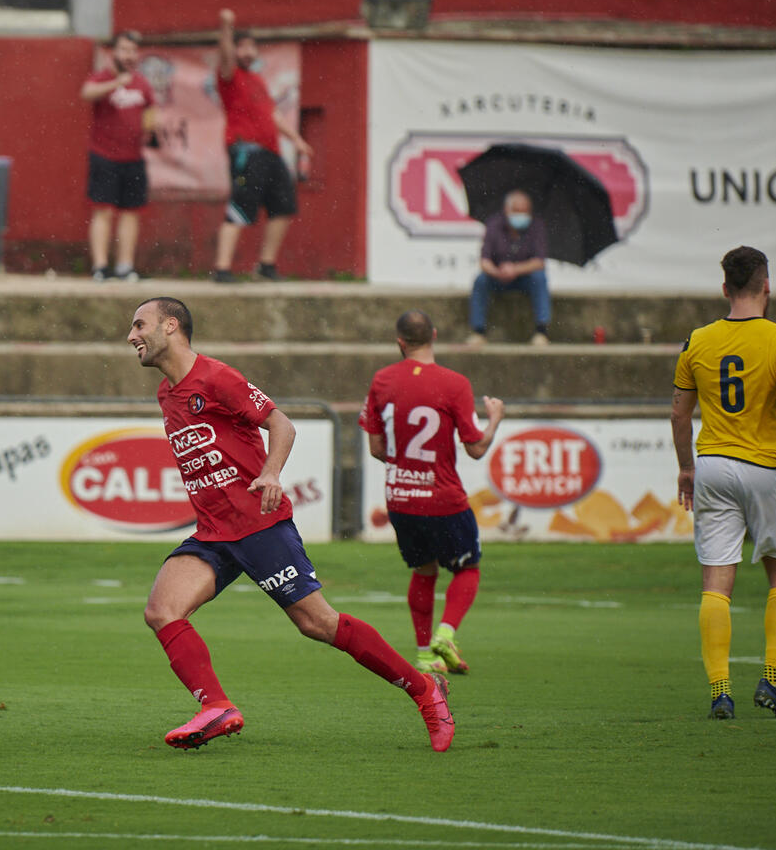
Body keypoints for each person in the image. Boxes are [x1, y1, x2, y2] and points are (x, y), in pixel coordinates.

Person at [127, 296, 454, 752]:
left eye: (139, 325)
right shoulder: (167, 394)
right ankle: (216, 707)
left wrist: (271, 473)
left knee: (317, 623)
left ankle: (424, 689)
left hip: (258, 525)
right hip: (214, 533)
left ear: (170, 326)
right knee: (161, 611)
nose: (132, 336)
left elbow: (282, 424)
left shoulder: (217, 377)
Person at [671, 245, 776, 720]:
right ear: (766, 285)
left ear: (724, 288)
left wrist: (686, 468)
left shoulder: (697, 341)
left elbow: (679, 413)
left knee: (716, 583)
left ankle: (720, 692)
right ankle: (771, 681)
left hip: (713, 466)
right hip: (767, 468)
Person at [360, 310, 504, 676]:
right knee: (467, 568)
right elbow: (475, 448)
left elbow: (376, 448)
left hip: (400, 499)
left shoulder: (382, 379)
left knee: (424, 570)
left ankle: (425, 655)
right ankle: (446, 634)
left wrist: (406, 468)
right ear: (434, 336)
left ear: (400, 342)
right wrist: (495, 420)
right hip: (443, 499)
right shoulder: (454, 383)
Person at [210, 9, 313, 283]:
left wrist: (297, 140)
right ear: (235, 49)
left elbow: (273, 115)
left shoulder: (257, 80)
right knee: (241, 206)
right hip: (246, 151)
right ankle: (222, 269)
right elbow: (225, 57)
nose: (248, 52)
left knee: (284, 206)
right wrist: (226, 27)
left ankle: (266, 266)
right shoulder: (229, 76)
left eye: (252, 47)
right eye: (242, 46)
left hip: (271, 152)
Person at [81, 31, 158, 282]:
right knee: (102, 211)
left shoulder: (141, 82)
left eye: (133, 51)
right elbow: (86, 93)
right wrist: (117, 83)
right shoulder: (103, 77)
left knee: (130, 212)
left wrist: (150, 128)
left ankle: (125, 266)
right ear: (114, 52)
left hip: (133, 157)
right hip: (104, 155)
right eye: (124, 50)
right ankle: (100, 267)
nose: (129, 55)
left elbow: (150, 109)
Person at [467, 190, 550, 346]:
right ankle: (478, 331)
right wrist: (498, 272)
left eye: (525, 212)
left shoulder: (537, 225)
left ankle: (541, 331)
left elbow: (539, 262)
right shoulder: (493, 224)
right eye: (517, 211)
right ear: (507, 210)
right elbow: (484, 261)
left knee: (539, 278)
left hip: (525, 278)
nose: (522, 215)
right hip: (498, 277)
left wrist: (515, 269)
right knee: (480, 281)